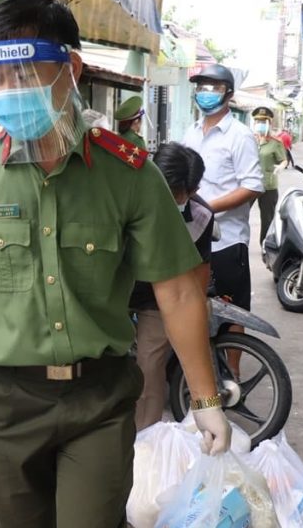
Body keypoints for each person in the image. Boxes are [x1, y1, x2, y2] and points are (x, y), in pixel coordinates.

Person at [0, 0, 231, 526]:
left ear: (70, 68)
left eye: (22, 74)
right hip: (6, 400)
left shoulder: (128, 175)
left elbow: (177, 290)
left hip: (98, 399)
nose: (7, 92)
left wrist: (205, 398)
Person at [182, 64, 263, 378]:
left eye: (213, 87)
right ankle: (199, 372)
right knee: (193, 306)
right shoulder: (190, 132)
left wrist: (207, 208)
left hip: (227, 240)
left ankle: (233, 374)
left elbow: (252, 186)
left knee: (232, 310)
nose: (205, 92)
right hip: (191, 238)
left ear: (228, 93)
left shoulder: (240, 136)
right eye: (201, 86)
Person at [130, 143, 214, 431]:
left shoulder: (201, 216)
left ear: (193, 190)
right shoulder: (126, 198)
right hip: (117, 289)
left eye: (175, 194)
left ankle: (145, 436)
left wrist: (193, 314)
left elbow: (199, 273)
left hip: (159, 300)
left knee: (149, 364)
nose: (166, 200)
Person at [251, 107, 287, 244]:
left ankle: (265, 244)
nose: (260, 124)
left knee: (267, 219)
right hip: (249, 185)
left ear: (269, 124)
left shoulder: (275, 143)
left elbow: (283, 160)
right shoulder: (250, 140)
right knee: (239, 215)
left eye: (263, 122)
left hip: (268, 186)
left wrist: (281, 166)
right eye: (258, 121)